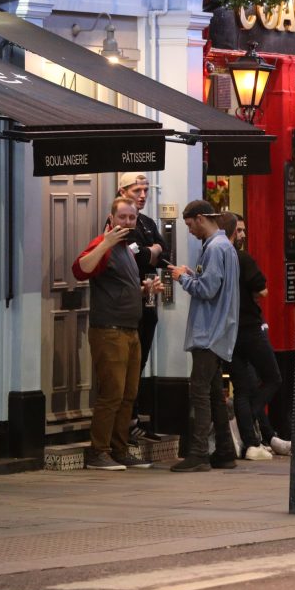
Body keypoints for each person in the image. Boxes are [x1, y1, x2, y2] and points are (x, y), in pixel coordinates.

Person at [73, 197, 161, 470]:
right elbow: (80, 270)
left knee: (128, 394)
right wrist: (106, 243)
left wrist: (144, 290)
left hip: (130, 330)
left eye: (131, 218)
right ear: (111, 219)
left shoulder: (127, 249)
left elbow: (119, 287)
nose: (127, 222)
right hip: (108, 330)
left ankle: (119, 449)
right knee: (111, 393)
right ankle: (98, 451)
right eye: (122, 217)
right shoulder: (105, 244)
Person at [168, 201, 240, 472]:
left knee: (199, 391)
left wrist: (180, 278)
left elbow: (208, 289)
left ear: (200, 219)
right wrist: (191, 274)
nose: (189, 231)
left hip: (208, 331)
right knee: (212, 393)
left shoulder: (214, 248)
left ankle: (198, 453)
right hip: (220, 330)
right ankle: (224, 450)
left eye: (189, 225)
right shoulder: (226, 247)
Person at [220, 214, 290, 460]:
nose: (243, 235)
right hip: (248, 327)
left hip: (226, 331)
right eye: (239, 231)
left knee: (241, 387)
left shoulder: (214, 257)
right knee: (273, 377)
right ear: (230, 231)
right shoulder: (242, 258)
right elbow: (262, 289)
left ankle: (251, 444)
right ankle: (250, 416)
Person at [114, 172, 168, 442]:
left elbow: (163, 254)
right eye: (137, 190)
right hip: (126, 303)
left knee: (141, 360)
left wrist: (154, 251)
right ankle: (127, 422)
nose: (143, 195)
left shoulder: (145, 222)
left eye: (146, 190)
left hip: (149, 299)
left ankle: (134, 418)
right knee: (127, 363)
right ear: (122, 191)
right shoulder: (119, 224)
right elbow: (138, 256)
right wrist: (152, 251)